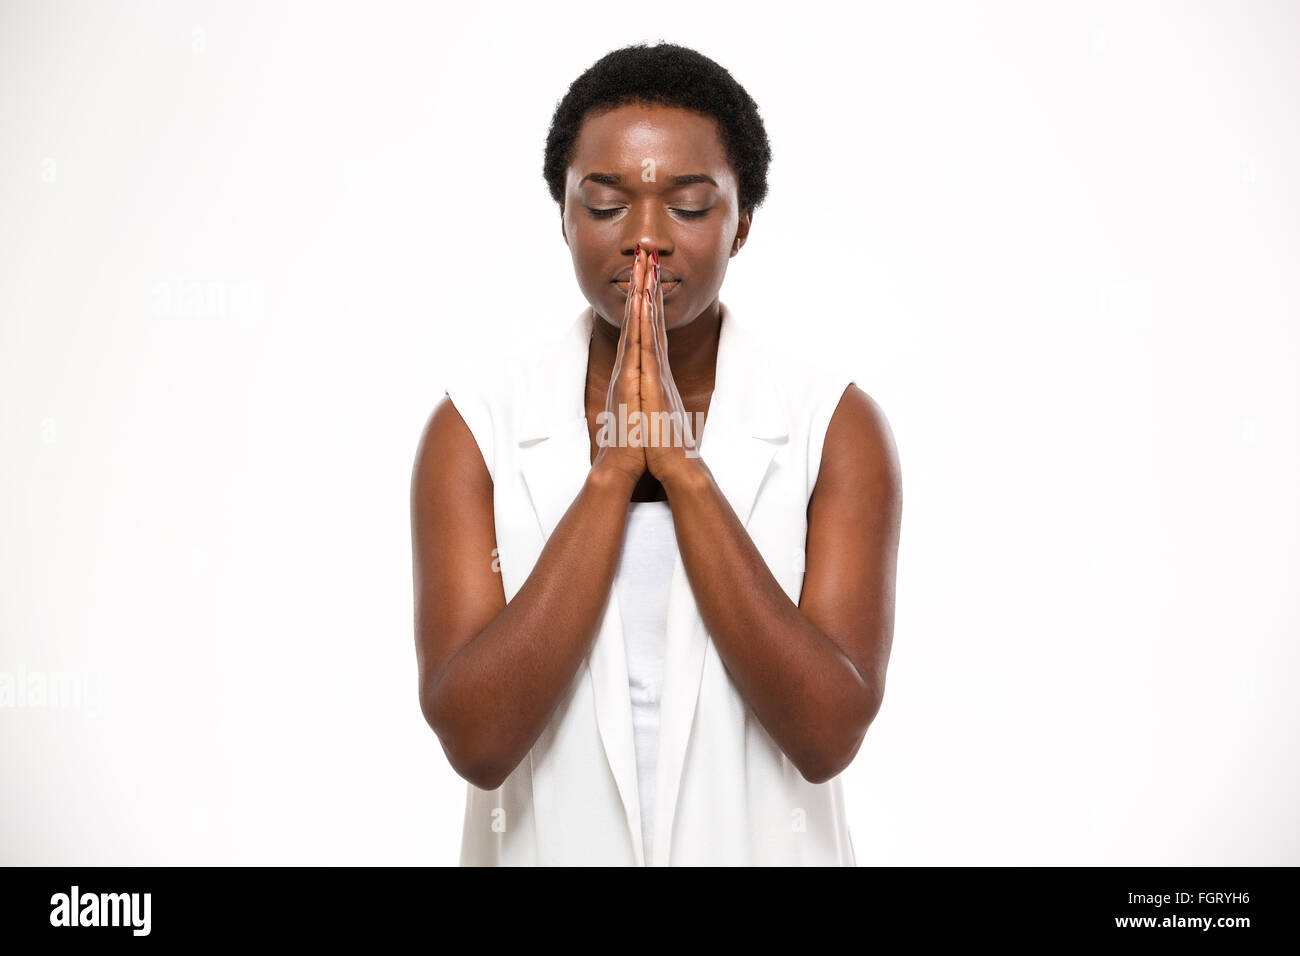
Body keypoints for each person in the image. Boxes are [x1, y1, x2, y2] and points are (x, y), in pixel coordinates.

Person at [411, 42, 902, 866]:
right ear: (563, 218)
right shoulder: (472, 429)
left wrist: (678, 465)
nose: (645, 240)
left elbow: (825, 734)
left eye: (689, 204)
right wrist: (612, 474)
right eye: (604, 205)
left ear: (741, 222)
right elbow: (478, 739)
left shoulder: (835, 424)